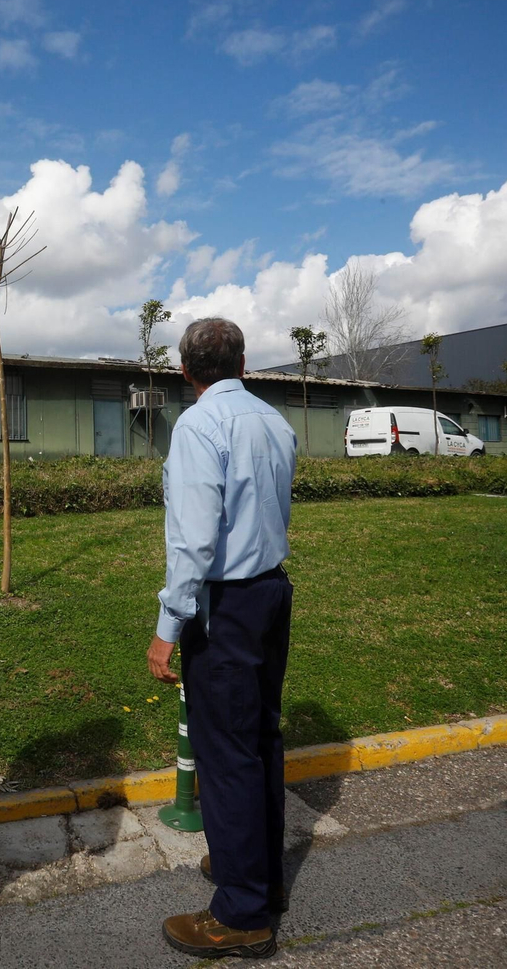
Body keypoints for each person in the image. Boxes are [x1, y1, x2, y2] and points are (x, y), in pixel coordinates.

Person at [147, 317, 298, 960]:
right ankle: (256, 872)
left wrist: (167, 626)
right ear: (243, 362)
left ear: (186, 372)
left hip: (226, 603)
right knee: (260, 736)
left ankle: (241, 913)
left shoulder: (198, 425)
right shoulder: (272, 420)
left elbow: (194, 537)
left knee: (226, 753)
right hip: (270, 590)